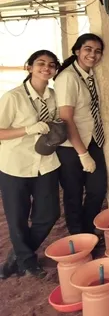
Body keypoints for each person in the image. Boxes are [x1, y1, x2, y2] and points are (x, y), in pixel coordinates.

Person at [0, 50, 61, 278]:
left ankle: (17, 256)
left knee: (49, 213)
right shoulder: (13, 97)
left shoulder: (54, 96)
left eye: (51, 65)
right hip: (16, 165)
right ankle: (27, 262)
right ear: (30, 67)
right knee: (17, 218)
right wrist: (27, 129)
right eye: (41, 63)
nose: (46, 68)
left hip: (46, 163)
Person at [54, 33, 108, 236]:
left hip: (93, 139)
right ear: (77, 51)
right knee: (73, 193)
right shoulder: (68, 77)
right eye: (88, 49)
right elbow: (66, 118)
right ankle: (78, 236)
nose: (92, 54)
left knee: (98, 188)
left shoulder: (90, 76)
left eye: (97, 51)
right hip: (71, 146)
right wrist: (83, 154)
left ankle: (88, 229)